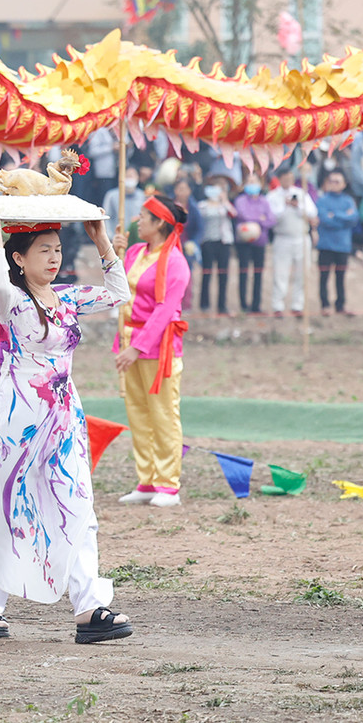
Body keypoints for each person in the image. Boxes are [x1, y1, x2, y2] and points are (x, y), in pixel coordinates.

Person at [0, 208, 133, 644]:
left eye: (57, 249)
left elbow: (119, 293)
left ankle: (89, 608)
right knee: (1, 508)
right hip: (14, 421)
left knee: (77, 505)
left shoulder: (69, 298)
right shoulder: (14, 300)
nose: (54, 258)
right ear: (20, 258)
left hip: (62, 418)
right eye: (44, 251)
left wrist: (100, 240)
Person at [113, 195, 191, 508]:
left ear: (159, 223)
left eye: (144, 216)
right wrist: (112, 250)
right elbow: (117, 286)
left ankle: (168, 484)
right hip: (128, 337)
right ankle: (146, 479)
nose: (138, 221)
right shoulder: (133, 252)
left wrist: (137, 347)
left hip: (158, 347)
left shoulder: (175, 262)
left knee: (163, 414)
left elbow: (164, 311)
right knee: (138, 412)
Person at [267, 177, 317, 316]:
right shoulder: (273, 195)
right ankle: (278, 305)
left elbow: (312, 213)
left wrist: (297, 206)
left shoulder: (301, 193)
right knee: (280, 273)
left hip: (301, 237)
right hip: (282, 237)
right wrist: (285, 206)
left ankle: (298, 305)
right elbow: (271, 218)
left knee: (302, 273)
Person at [314, 171, 357, 314]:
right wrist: (343, 218)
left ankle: (340, 305)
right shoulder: (322, 200)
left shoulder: (348, 200)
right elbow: (325, 220)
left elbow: (354, 219)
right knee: (324, 277)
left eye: (337, 181)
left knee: (340, 277)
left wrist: (336, 215)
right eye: (331, 181)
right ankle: (324, 305)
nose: (334, 184)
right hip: (325, 244)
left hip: (343, 245)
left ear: (344, 184)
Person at [233, 176, 276, 314]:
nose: (252, 184)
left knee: (258, 274)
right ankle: (243, 305)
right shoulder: (240, 200)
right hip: (243, 242)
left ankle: (256, 305)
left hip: (260, 242)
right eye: (249, 181)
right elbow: (243, 215)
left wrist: (257, 221)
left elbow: (271, 220)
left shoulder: (265, 201)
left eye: (254, 181)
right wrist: (260, 219)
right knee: (243, 272)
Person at [196, 179, 235, 315]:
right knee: (207, 273)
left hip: (223, 242)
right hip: (207, 242)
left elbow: (233, 214)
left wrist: (224, 201)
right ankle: (204, 304)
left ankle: (222, 305)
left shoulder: (224, 206)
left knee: (223, 274)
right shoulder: (202, 206)